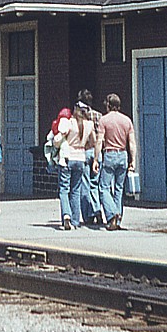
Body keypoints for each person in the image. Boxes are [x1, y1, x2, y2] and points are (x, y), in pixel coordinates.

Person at [98, 93, 138, 230]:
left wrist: (96, 159)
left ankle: (112, 214)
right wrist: (133, 161)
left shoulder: (103, 120)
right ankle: (118, 218)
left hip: (109, 154)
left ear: (108, 105)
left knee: (103, 187)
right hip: (123, 155)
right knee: (119, 189)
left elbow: (99, 141)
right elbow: (132, 143)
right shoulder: (127, 121)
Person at [54, 103, 93, 229]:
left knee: (64, 189)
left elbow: (58, 139)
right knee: (76, 190)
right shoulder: (89, 124)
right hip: (81, 158)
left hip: (67, 157)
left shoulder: (69, 123)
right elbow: (91, 141)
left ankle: (66, 215)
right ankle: (76, 221)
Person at [77, 90, 105, 226]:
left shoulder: (78, 117)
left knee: (84, 184)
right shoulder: (99, 116)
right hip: (96, 152)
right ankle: (97, 210)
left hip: (83, 151)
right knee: (95, 184)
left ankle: (88, 215)